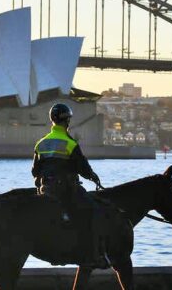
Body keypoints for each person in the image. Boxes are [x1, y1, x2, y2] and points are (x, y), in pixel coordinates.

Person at [32, 103, 107, 267]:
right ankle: (93, 255)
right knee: (93, 209)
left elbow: (34, 171)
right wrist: (93, 177)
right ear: (67, 121)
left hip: (45, 189)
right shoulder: (70, 143)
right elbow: (83, 168)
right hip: (66, 190)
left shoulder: (41, 143)